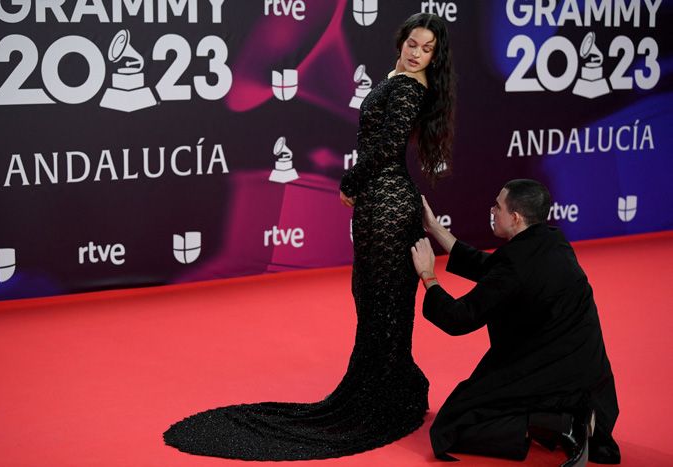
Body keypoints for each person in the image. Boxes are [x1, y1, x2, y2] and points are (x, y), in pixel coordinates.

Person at [163, 12, 455, 460]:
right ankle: (391, 387)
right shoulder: (396, 77)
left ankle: (390, 395)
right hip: (381, 202)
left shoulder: (409, 90)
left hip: (388, 201)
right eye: (412, 43)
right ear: (402, 41)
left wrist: (350, 181)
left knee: (385, 300)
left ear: (436, 57)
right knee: (374, 296)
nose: (416, 53)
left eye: (426, 49)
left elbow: (385, 150)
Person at [411, 180, 620, 466]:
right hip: (588, 373)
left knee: (453, 423)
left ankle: (563, 424)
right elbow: (491, 269)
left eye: (498, 206)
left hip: (545, 370)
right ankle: (573, 416)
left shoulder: (515, 265)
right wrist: (433, 227)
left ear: (516, 217)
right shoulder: (551, 240)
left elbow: (459, 318)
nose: (492, 210)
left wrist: (427, 275)